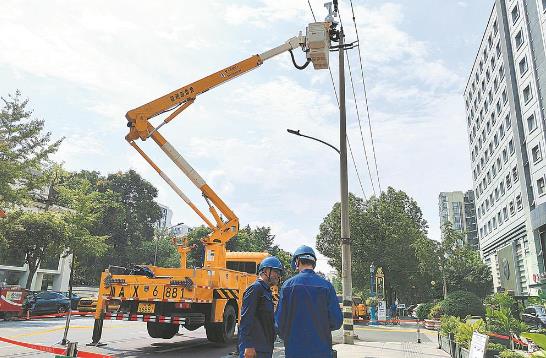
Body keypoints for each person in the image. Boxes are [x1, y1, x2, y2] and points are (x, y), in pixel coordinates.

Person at [275, 245, 343, 358]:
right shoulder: (327, 286)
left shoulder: (288, 286)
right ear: (314, 263)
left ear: (297, 262)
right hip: (322, 350)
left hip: (294, 350)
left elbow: (279, 323)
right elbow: (337, 321)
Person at [238, 256, 284, 358]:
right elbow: (246, 319)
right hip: (254, 349)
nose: (277, 275)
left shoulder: (266, 291)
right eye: (275, 271)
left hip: (264, 348)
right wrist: (248, 345)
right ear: (264, 271)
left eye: (279, 273)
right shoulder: (255, 289)